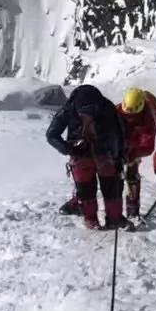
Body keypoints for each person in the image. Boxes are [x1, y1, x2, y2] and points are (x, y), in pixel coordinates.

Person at [47, 84, 126, 230]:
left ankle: (113, 219)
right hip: (83, 155)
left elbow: (118, 134)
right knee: (86, 190)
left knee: (111, 188)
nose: (87, 115)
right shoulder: (70, 107)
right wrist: (68, 148)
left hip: (104, 154)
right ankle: (92, 220)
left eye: (90, 111)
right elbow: (51, 135)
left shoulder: (106, 107)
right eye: (83, 111)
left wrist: (119, 156)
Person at [118, 87, 156, 220]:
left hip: (133, 150)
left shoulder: (147, 119)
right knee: (113, 175)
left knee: (132, 176)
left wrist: (132, 155)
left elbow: (147, 146)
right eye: (127, 112)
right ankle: (114, 208)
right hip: (120, 146)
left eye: (132, 113)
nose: (130, 116)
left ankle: (132, 209)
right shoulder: (118, 110)